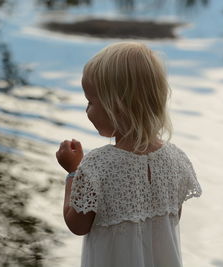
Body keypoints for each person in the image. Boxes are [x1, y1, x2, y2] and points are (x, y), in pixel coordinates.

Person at [56, 42, 202, 267]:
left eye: (91, 102)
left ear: (116, 107)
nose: (87, 110)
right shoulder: (177, 159)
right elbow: (173, 218)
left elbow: (78, 225)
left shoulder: (97, 166)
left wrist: (73, 172)